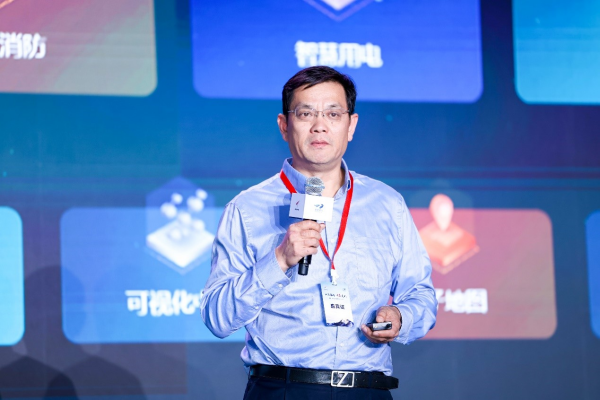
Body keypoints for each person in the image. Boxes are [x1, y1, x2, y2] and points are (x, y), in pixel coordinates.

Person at [200, 66, 437, 400]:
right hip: (284, 389)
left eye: (333, 114)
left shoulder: (387, 203)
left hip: (367, 391)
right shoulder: (247, 208)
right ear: (284, 125)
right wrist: (279, 260)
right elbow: (217, 317)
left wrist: (400, 316)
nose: (320, 125)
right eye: (306, 113)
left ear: (351, 125)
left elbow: (421, 295)